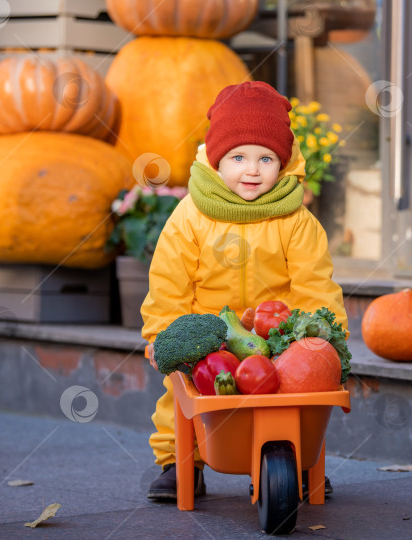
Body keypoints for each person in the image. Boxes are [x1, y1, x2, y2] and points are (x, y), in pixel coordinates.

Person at [141, 81, 348, 501]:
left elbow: (315, 284)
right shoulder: (190, 216)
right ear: (217, 161)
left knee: (292, 396)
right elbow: (169, 279)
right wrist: (163, 330)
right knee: (182, 392)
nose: (252, 170)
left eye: (266, 159)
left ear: (283, 163)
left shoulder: (296, 220)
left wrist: (325, 338)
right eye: (238, 157)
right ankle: (179, 460)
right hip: (206, 334)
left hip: (274, 336)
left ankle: (292, 460)